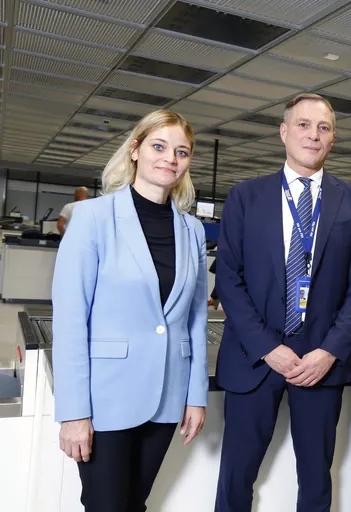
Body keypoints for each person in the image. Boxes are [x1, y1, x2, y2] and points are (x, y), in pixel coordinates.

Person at [214, 93, 351, 512]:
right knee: (236, 476)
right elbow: (229, 279)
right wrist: (268, 347)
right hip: (255, 356)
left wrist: (330, 351)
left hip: (320, 359)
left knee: (317, 479)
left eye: (323, 128)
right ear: (284, 132)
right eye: (303, 125)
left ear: (332, 139)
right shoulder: (246, 196)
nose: (313, 135)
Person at [52, 110, 208, 511]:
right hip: (106, 397)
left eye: (181, 152)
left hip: (167, 396)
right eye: (159, 146)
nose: (170, 158)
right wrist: (73, 413)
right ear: (135, 150)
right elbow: (70, 321)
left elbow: (195, 319)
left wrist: (196, 396)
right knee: (105, 504)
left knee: (135, 503)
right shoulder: (93, 217)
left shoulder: (192, 230)